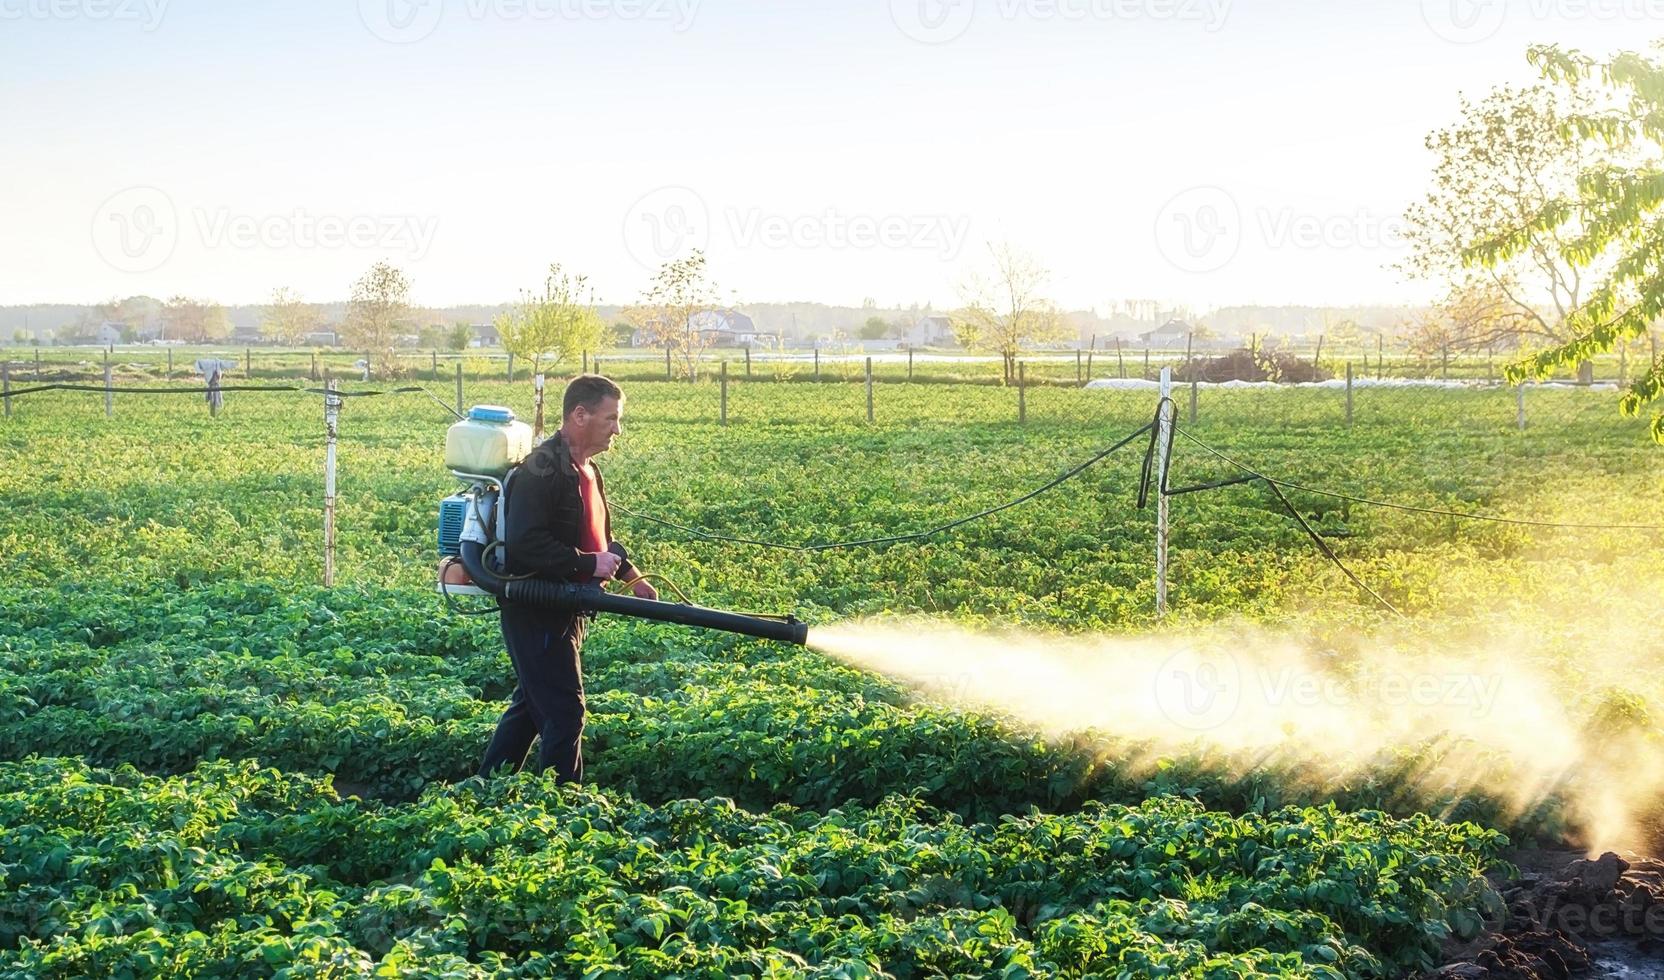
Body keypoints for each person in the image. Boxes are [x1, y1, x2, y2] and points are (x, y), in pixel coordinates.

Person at [476, 374, 657, 782]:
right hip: (537, 609)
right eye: (611, 418)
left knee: (529, 709)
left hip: (568, 608)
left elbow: (600, 538)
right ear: (580, 415)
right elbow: (526, 544)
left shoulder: (587, 470)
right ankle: (561, 810)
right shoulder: (541, 469)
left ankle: (484, 789)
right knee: (565, 712)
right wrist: (586, 564)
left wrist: (630, 575)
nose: (617, 429)